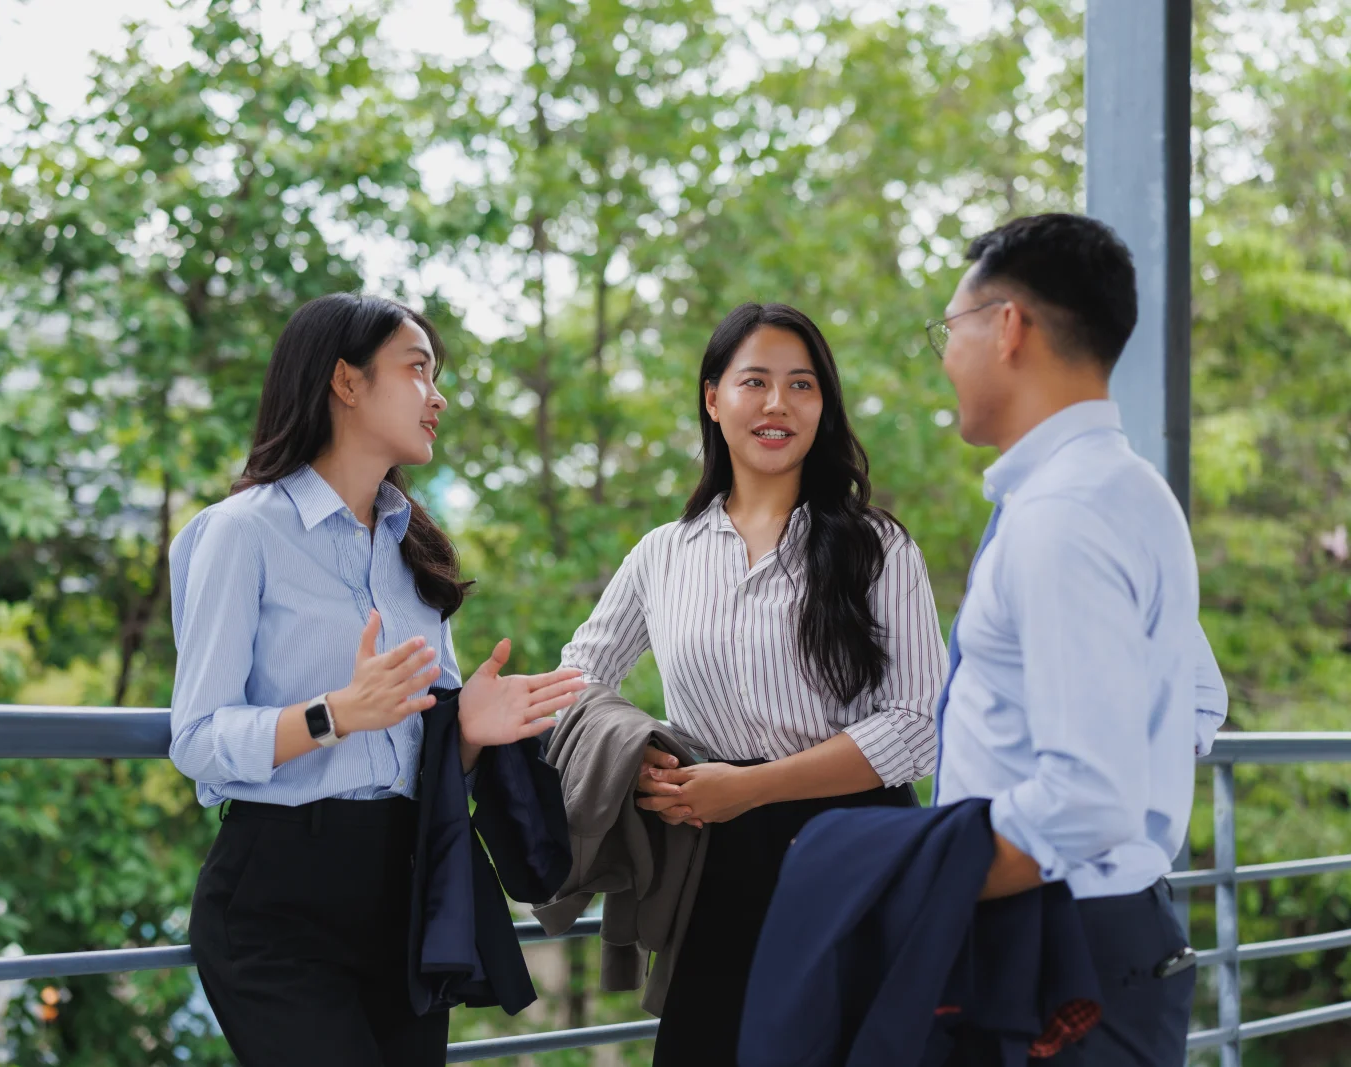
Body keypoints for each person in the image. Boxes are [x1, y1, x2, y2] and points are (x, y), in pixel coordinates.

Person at [167, 292, 586, 1067]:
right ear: (346, 382)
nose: (439, 395)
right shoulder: (240, 533)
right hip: (278, 901)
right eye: (418, 369)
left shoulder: (412, 550)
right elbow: (196, 738)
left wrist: (464, 736)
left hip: (406, 890)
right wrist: (334, 713)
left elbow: (421, 769)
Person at [559, 301, 948, 1065]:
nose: (778, 404)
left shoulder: (877, 548)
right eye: (755, 382)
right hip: (713, 861)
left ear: (823, 405)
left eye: (802, 385)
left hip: (854, 854)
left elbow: (919, 724)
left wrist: (755, 786)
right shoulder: (662, 554)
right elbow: (574, 681)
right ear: (713, 398)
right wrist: (631, 751)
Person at [929, 213, 1229, 1065]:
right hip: (1106, 925)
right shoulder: (1127, 490)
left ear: (1009, 329)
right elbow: (1200, 693)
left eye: (949, 330)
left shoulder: (1061, 517)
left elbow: (1090, 798)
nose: (946, 357)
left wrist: (922, 875)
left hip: (1061, 946)